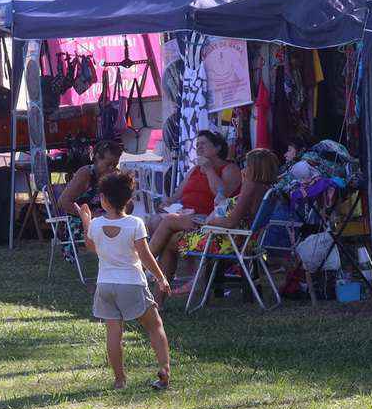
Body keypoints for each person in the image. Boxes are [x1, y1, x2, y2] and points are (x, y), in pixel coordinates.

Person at [75, 171, 171, 390]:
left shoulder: (96, 224)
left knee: (113, 334)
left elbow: (92, 247)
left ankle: (119, 380)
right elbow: (145, 255)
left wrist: (85, 220)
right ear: (129, 200)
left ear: (103, 199)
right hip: (132, 284)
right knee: (155, 326)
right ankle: (164, 369)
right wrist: (160, 278)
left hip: (105, 286)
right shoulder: (135, 223)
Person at [171, 148, 282, 292]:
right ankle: (165, 286)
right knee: (170, 227)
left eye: (247, 165)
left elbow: (230, 222)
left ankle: (159, 290)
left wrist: (209, 223)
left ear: (255, 168)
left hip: (229, 242)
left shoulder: (251, 186)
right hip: (248, 242)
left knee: (171, 240)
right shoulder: (266, 189)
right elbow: (244, 214)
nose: (244, 168)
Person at [147, 130, 241, 272]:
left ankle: (146, 266)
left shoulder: (229, 169)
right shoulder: (195, 170)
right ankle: (166, 269)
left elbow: (221, 196)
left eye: (203, 144)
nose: (199, 148)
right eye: (197, 145)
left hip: (207, 219)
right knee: (154, 220)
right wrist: (167, 203)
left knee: (167, 223)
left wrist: (209, 170)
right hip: (185, 214)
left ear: (218, 148)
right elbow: (178, 194)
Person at [57, 140, 123, 216]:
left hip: (106, 221)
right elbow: (63, 203)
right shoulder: (86, 174)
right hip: (82, 221)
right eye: (108, 164)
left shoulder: (115, 175)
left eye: (115, 165)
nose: (111, 168)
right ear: (97, 158)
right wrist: (91, 215)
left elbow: (127, 206)